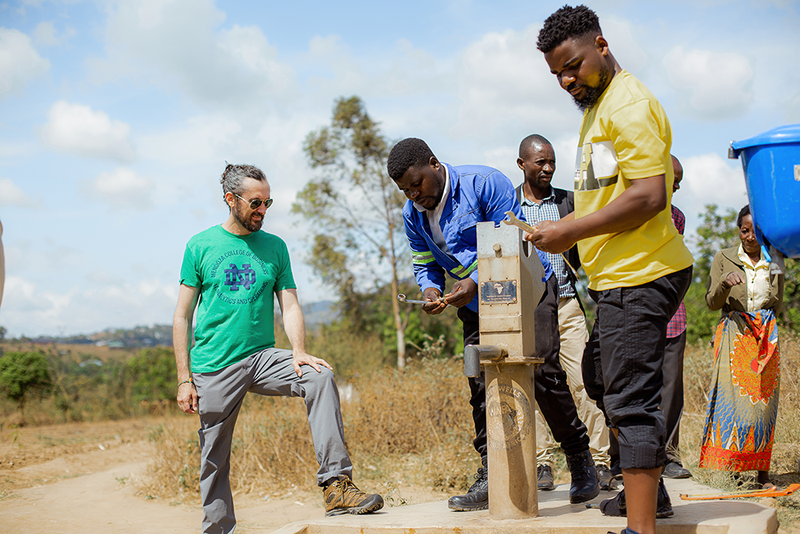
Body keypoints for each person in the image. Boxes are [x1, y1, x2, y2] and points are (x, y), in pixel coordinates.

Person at [534, 6, 694, 534]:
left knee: (630, 397)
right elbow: (647, 173)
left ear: (601, 44)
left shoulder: (627, 103)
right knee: (601, 377)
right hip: (617, 277)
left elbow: (649, 194)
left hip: (641, 273)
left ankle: (641, 527)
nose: (566, 80)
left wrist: (570, 232)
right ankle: (651, 493)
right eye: (558, 73)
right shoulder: (599, 107)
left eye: (573, 66)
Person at [387, 137, 599, 512]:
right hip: (474, 305)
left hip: (526, 286)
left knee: (544, 374)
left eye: (416, 184)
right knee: (481, 382)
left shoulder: (484, 183)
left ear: (434, 164)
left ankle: (580, 459)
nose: (414, 195)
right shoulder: (412, 214)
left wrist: (472, 281)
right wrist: (433, 289)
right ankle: (490, 473)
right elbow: (424, 262)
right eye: (405, 190)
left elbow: (510, 241)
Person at [173, 164, 383, 534]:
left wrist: (299, 351)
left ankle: (336, 486)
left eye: (267, 201)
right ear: (230, 200)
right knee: (214, 459)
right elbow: (181, 317)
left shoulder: (275, 247)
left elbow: (290, 305)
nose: (263, 210)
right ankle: (218, 529)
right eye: (255, 202)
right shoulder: (200, 245)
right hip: (214, 366)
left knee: (319, 376)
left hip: (262, 357)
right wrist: (183, 379)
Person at [515, 134, 612, 491]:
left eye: (552, 162)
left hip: (569, 304)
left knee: (583, 381)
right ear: (522, 164)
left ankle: (601, 460)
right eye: (540, 162)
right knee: (538, 384)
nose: (548, 168)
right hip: (530, 310)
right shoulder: (509, 206)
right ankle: (543, 463)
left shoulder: (568, 202)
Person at [699, 204, 783, 488]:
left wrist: (779, 275)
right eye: (743, 230)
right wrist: (724, 284)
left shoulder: (775, 259)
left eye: (753, 231)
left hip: (766, 336)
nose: (748, 237)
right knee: (733, 406)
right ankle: (734, 471)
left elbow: (778, 305)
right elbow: (712, 302)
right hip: (735, 334)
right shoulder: (724, 258)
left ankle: (762, 475)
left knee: (764, 405)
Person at [661, 155, 692, 480]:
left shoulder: (677, 217)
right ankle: (622, 459)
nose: (678, 186)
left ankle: (669, 455)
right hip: (637, 314)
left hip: (672, 315)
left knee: (671, 389)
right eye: (675, 178)